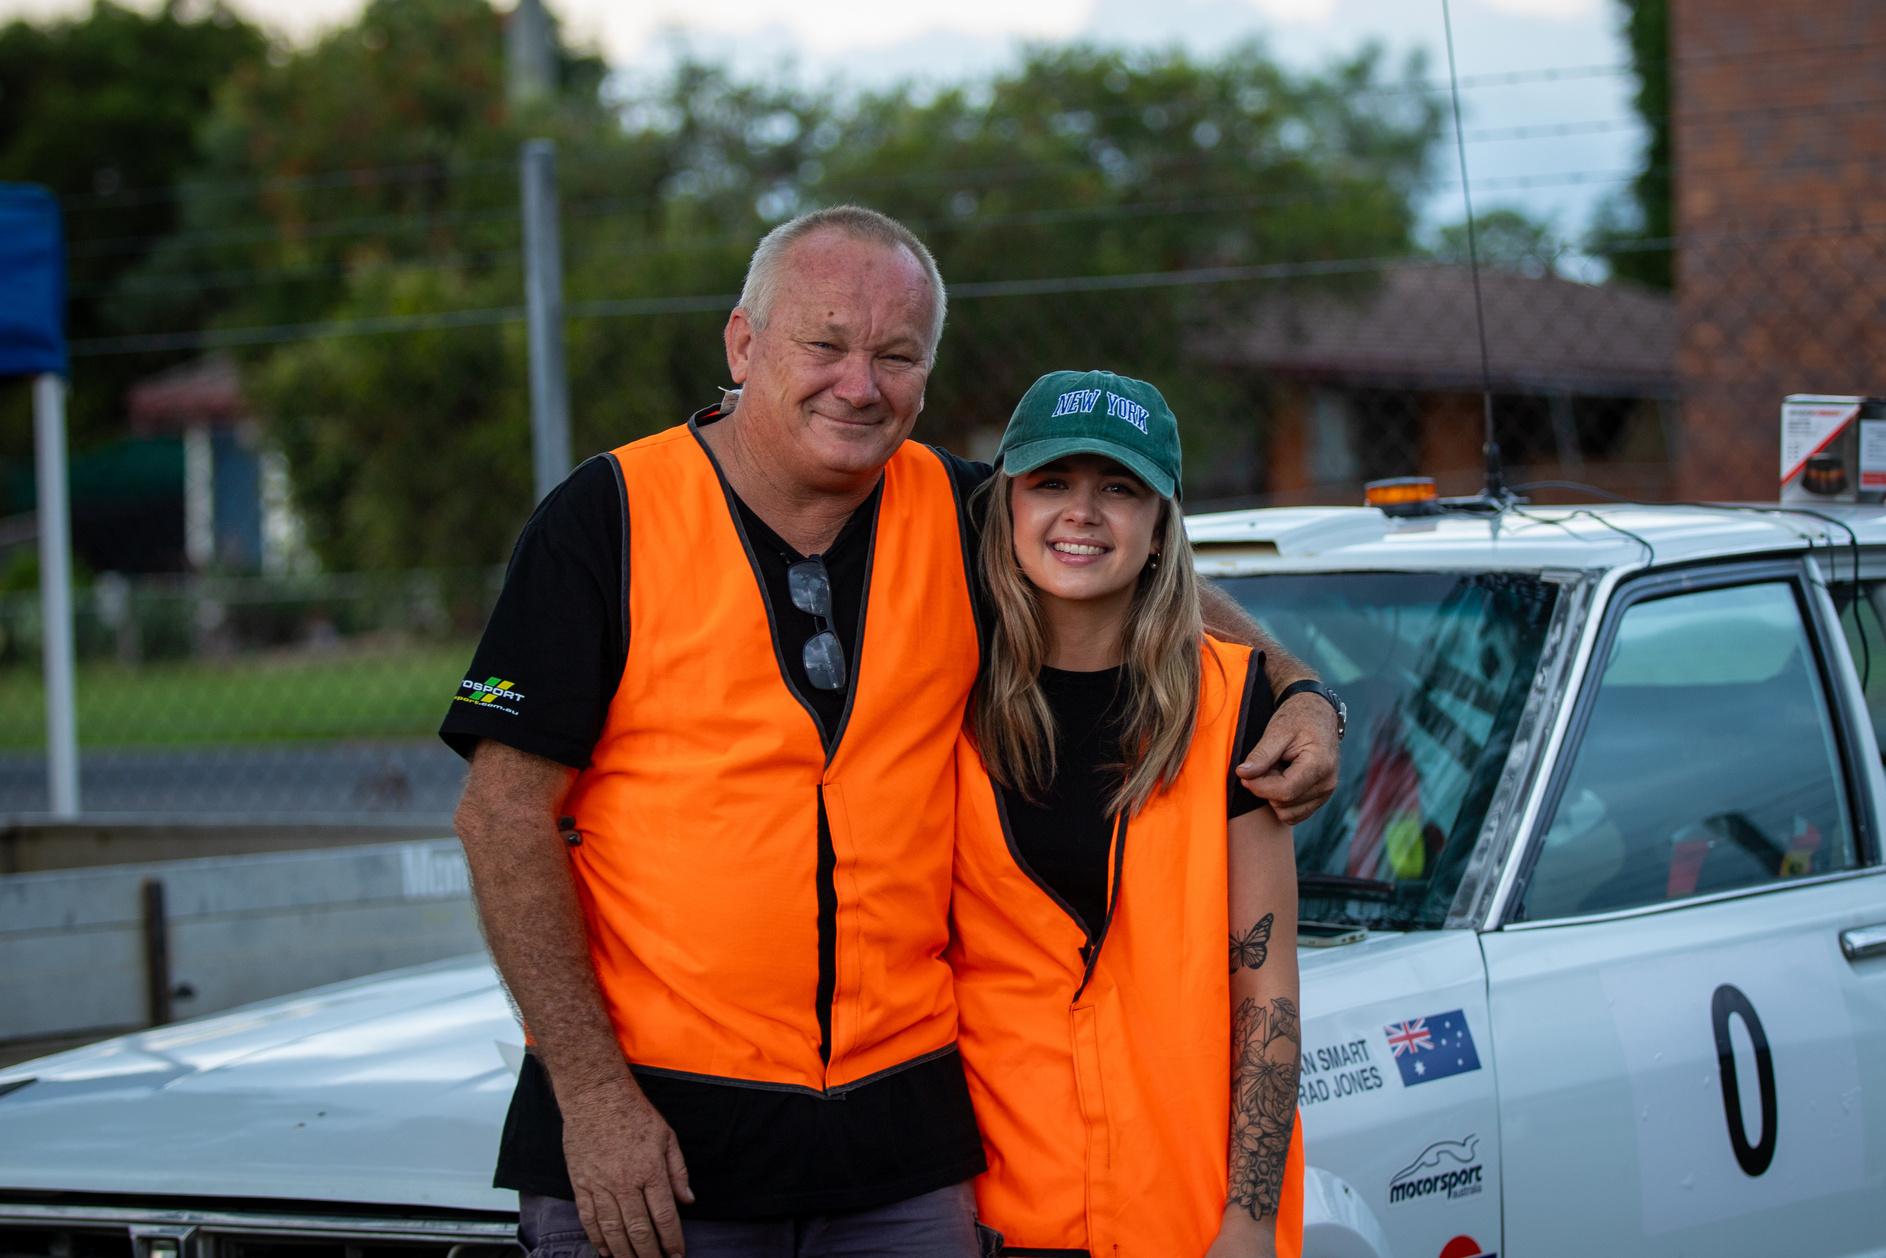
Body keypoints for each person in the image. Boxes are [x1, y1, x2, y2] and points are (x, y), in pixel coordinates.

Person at [442, 206, 1337, 1257]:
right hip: (658, 1148)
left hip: (898, 1159)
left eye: (896, 356)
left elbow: (1130, 572)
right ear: (743, 344)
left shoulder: (959, 510)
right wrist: (591, 1097)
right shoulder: (608, 515)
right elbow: (500, 817)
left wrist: (1297, 687)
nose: (859, 384)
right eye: (825, 344)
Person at [949, 370, 1303, 1257]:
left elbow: (1265, 992)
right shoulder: (941, 698)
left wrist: (1249, 1220)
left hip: (1185, 1213)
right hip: (992, 1217)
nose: (1081, 513)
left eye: (1118, 488)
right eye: (1051, 483)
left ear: (1159, 527)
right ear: (1007, 507)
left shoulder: (1232, 704)